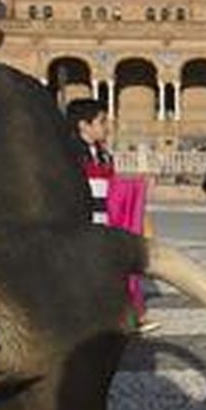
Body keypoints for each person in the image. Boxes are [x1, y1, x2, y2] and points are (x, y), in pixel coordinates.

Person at [67, 98, 158, 333]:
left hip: (105, 219)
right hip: (83, 220)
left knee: (114, 268)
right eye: (101, 121)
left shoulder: (103, 154)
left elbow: (112, 186)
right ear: (83, 125)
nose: (107, 126)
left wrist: (136, 187)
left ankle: (124, 316)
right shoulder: (69, 153)